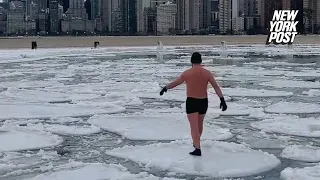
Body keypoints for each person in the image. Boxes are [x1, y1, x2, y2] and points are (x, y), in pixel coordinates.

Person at [159, 52, 227, 156]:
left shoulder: (187, 73)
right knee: (199, 125)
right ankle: (197, 144)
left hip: (191, 102)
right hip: (203, 102)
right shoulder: (207, 73)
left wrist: (165, 88)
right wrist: (222, 99)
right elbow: (216, 87)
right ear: (201, 61)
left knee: (194, 127)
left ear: (191, 61)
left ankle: (197, 148)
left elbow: (176, 82)